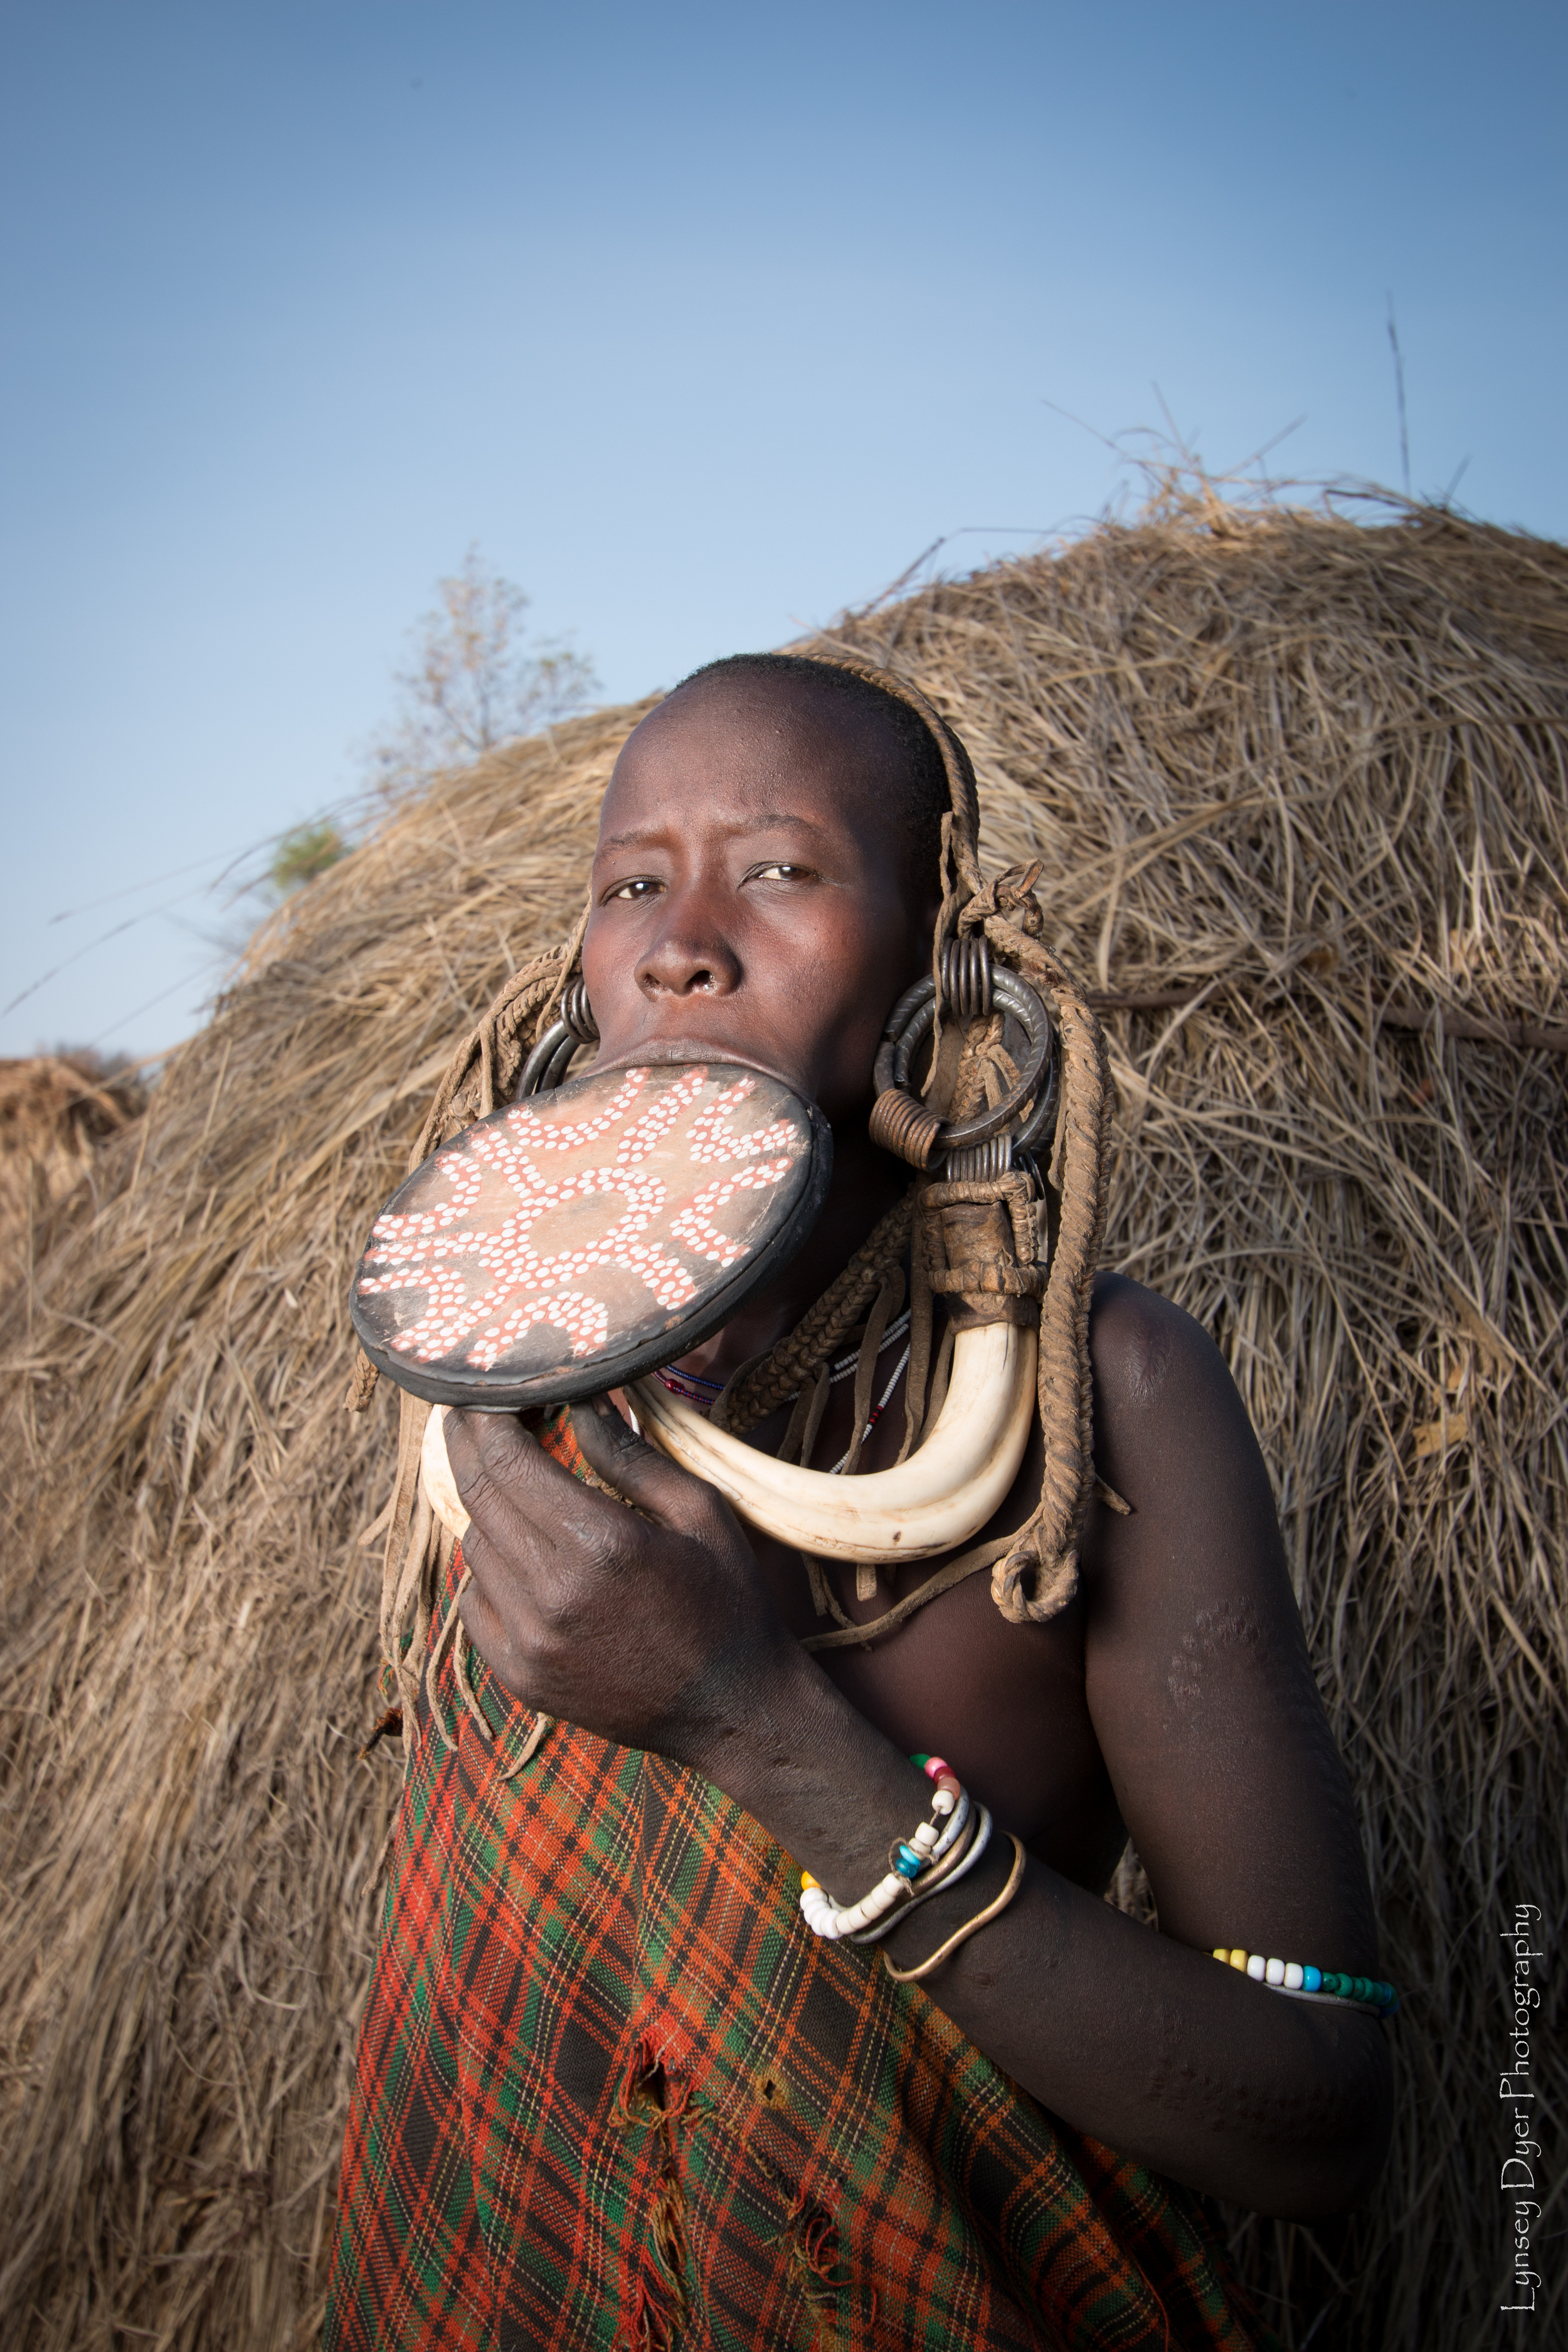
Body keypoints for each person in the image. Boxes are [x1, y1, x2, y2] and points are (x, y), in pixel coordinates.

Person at [326, 655, 1393, 2351]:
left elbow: (1319, 2109)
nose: (682, 936)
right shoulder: (506, 1391)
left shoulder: (1091, 1396)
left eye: (778, 868)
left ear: (935, 957)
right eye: (628, 885)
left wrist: (759, 1724)